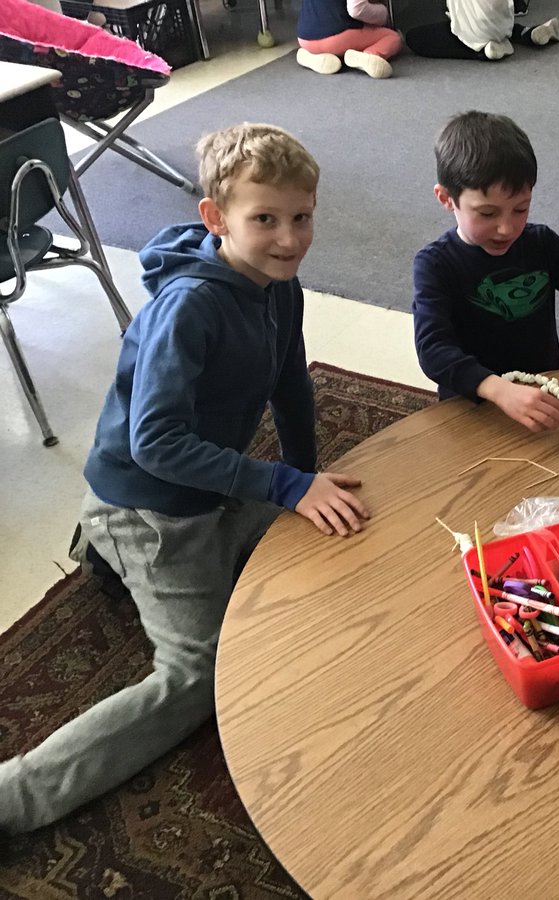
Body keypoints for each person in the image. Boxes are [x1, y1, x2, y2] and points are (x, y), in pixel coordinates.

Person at [0, 123, 370, 834]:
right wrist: (286, 488)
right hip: (152, 506)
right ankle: (16, 797)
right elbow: (156, 444)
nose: (290, 238)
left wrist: (304, 475)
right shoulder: (190, 308)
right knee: (195, 679)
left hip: (212, 490)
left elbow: (289, 381)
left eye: (302, 217)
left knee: (344, 514)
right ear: (216, 218)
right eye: (265, 219)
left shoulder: (279, 287)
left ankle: (113, 557)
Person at [412, 110, 559, 432]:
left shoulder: (541, 244)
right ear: (446, 199)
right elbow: (433, 350)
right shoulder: (435, 264)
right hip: (471, 407)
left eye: (521, 208)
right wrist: (498, 390)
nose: (506, 228)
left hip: (541, 399)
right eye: (487, 213)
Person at [406, 1, 559, 62]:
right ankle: (528, 33)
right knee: (487, 18)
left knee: (414, 38)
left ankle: (483, 50)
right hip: (501, 20)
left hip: (477, 29)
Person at [296, 0, 403, 79]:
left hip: (304, 37)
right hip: (337, 37)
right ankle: (370, 54)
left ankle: (310, 55)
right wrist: (384, 15)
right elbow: (357, 9)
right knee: (393, 37)